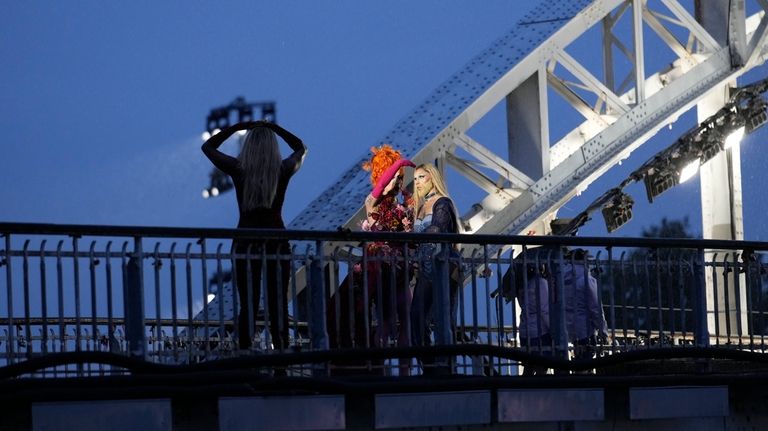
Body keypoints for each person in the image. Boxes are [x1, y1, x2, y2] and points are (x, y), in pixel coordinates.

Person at [201, 120, 307, 352]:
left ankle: (247, 357)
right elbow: (301, 148)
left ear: (248, 146)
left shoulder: (239, 169)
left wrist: (238, 126)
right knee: (277, 306)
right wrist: (276, 128)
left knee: (247, 305)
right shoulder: (283, 169)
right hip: (277, 243)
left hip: (245, 243)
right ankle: (280, 362)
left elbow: (208, 147)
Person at [410, 163, 462, 375]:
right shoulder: (420, 207)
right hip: (426, 269)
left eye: (422, 177)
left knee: (443, 317)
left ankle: (445, 367)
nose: (417, 182)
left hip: (443, 266)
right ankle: (430, 366)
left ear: (432, 177)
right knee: (416, 317)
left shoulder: (443, 203)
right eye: (414, 179)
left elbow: (438, 228)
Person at [563, 249, 608, 365]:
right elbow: (595, 308)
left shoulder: (563, 280)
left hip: (569, 330)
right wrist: (603, 331)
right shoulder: (587, 280)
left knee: (577, 361)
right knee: (587, 362)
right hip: (585, 330)